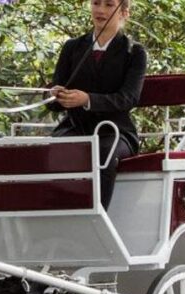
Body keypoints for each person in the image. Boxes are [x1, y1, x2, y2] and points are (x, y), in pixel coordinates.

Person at [47, 0, 147, 209]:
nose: (100, 10)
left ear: (124, 13)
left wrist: (88, 100)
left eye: (109, 5)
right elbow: (54, 98)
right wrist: (55, 95)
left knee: (102, 155)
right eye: (96, 3)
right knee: (49, 151)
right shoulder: (73, 47)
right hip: (75, 127)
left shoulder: (135, 52)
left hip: (115, 132)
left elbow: (128, 98)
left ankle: (95, 219)